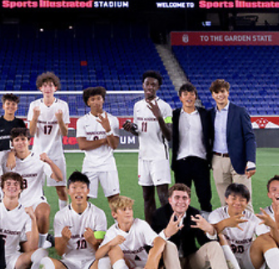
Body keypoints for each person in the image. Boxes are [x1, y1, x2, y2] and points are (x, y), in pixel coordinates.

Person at [150, 183, 251, 269]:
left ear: (189, 201)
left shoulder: (194, 214)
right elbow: (151, 245)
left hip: (190, 265)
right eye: (177, 197)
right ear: (170, 200)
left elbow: (204, 243)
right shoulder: (159, 215)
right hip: (170, 267)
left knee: (214, 245)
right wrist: (166, 233)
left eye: (184, 198)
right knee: (168, 245)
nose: (181, 201)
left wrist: (210, 230)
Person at [34, 171, 115, 269]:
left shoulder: (98, 214)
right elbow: (60, 252)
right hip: (69, 265)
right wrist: (64, 240)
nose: (78, 191)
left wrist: (93, 241)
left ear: (88, 191)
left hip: (91, 264)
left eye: (82, 188)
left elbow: (100, 251)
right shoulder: (61, 216)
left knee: (106, 260)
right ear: (68, 191)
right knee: (45, 262)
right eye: (74, 188)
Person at [97, 195, 167, 269]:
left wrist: (152, 259)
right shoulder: (112, 232)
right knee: (112, 249)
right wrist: (110, 243)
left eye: (130, 208)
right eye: (124, 209)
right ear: (114, 214)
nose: (128, 212)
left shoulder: (140, 225)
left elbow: (159, 241)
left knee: (155, 251)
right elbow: (98, 255)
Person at [123, 70, 173, 224]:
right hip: (143, 157)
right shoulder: (137, 106)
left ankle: (168, 231)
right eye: (147, 84)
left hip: (159, 157)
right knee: (147, 197)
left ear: (158, 87)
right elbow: (138, 131)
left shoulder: (165, 107)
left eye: (153, 84)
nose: (150, 87)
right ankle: (150, 231)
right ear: (143, 85)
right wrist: (131, 129)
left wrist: (159, 116)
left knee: (163, 197)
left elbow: (169, 135)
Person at [4, 127, 64, 248]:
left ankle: (41, 245)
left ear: (28, 141)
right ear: (12, 143)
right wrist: (10, 153)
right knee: (19, 246)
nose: (20, 142)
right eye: (16, 140)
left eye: (23, 139)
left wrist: (49, 161)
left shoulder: (38, 159)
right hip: (14, 204)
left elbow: (59, 178)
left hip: (35, 201)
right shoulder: (6, 160)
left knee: (44, 211)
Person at [0, 171, 50, 269]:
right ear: (2, 188)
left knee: (41, 253)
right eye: (8, 184)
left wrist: (33, 219)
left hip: (13, 258)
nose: (12, 187)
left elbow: (33, 247)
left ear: (21, 189)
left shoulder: (25, 213)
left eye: (16, 184)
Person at [209, 79, 256, 207]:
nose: (220, 95)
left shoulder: (240, 112)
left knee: (244, 201)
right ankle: (228, 221)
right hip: (218, 160)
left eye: (222, 91)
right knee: (225, 202)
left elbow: (249, 137)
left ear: (228, 93)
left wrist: (251, 161)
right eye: (216, 92)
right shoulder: (210, 114)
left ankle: (248, 221)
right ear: (213, 95)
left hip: (239, 161)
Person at [27, 72, 70, 211]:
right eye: (44, 85)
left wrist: (60, 120)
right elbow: (31, 133)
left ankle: (65, 216)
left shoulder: (63, 105)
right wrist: (35, 117)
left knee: (61, 189)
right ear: (40, 88)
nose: (47, 88)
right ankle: (34, 218)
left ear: (55, 88)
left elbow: (65, 133)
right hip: (37, 154)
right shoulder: (34, 105)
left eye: (50, 85)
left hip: (56, 153)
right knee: (35, 189)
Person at [169, 83, 215, 212]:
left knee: (205, 197)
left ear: (195, 97)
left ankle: (207, 222)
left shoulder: (205, 114)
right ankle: (182, 222)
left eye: (191, 94)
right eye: (185, 94)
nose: (188, 97)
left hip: (201, 161)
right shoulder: (175, 115)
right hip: (181, 162)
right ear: (180, 98)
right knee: (181, 199)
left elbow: (212, 135)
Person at [76, 86, 121, 203]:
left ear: (103, 100)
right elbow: (82, 145)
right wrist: (103, 140)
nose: (96, 102)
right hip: (90, 164)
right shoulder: (82, 121)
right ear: (88, 103)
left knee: (114, 199)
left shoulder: (112, 120)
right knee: (83, 198)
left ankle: (117, 217)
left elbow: (114, 145)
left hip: (108, 164)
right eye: (92, 99)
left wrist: (108, 130)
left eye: (98, 98)